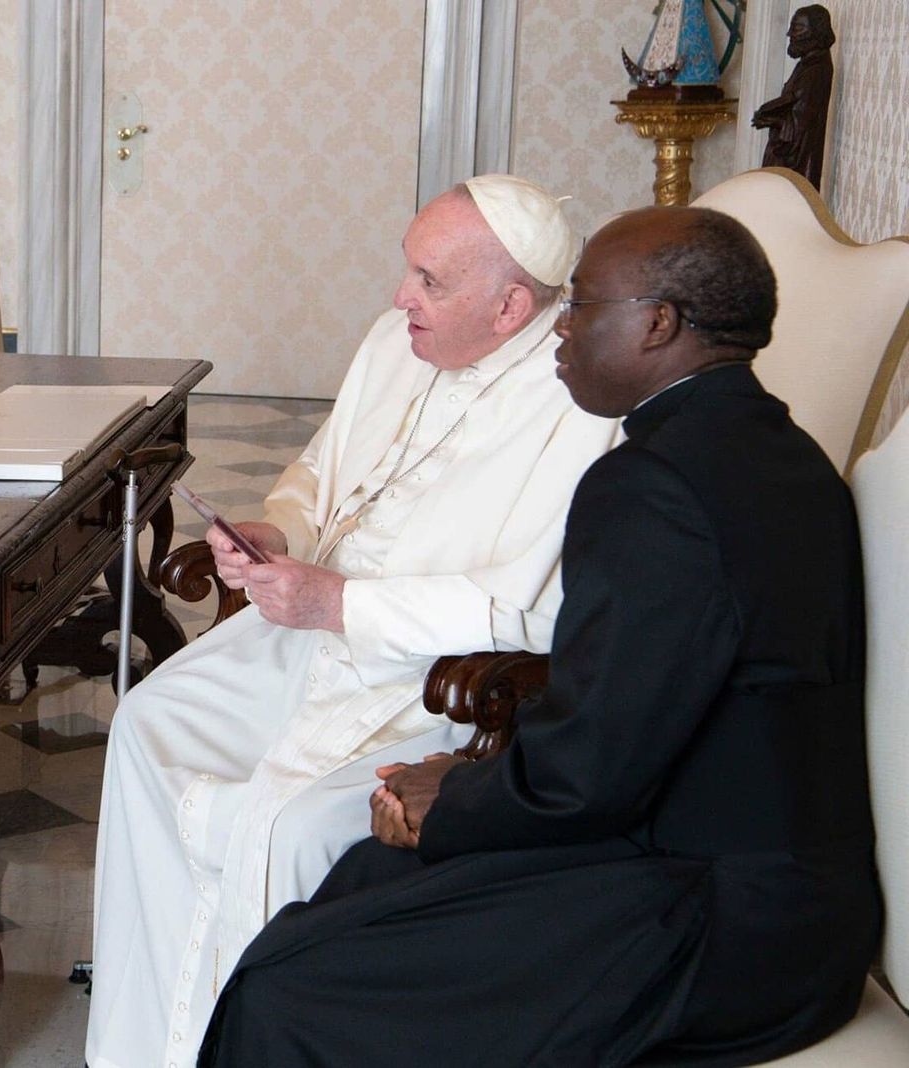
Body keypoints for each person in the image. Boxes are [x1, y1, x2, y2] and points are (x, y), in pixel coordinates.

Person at [197, 206, 881, 1066]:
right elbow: (625, 725)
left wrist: (451, 796)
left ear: (658, 323)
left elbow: (595, 771)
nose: (561, 327)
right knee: (359, 885)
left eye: (585, 305)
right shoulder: (771, 448)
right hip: (730, 866)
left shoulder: (653, 486)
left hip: (726, 921)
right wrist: (459, 779)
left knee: (290, 987)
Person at [86, 176, 622, 1068]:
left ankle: (248, 1041)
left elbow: (527, 607)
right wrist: (277, 530)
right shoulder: (392, 343)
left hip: (422, 672)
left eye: (429, 281)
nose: (398, 297)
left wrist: (341, 605)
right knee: (146, 721)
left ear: (511, 306)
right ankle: (144, 1046)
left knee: (291, 823)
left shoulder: (576, 402)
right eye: (406, 269)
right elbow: (317, 468)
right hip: (305, 626)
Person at [752, 5, 836, 189]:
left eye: (798, 28)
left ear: (816, 32)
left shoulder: (816, 71)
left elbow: (802, 126)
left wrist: (773, 120)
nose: (790, 34)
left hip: (796, 170)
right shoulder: (807, 65)